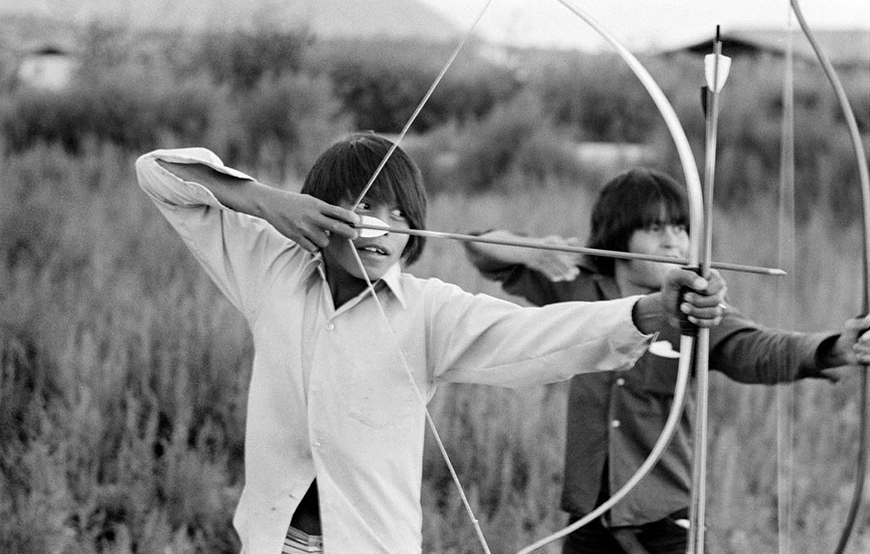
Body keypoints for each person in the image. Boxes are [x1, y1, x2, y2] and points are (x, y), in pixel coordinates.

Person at [135, 137, 726, 554]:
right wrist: (267, 200)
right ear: (320, 208)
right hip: (271, 541)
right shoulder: (270, 267)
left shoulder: (429, 311)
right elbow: (157, 172)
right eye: (364, 205)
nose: (381, 228)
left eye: (399, 214)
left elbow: (538, 335)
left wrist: (651, 310)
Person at [464, 167, 870, 554]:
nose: (674, 243)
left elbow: (757, 349)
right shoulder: (575, 288)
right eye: (655, 228)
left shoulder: (695, 305)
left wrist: (835, 348)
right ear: (617, 235)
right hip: (589, 515)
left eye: (680, 228)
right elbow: (479, 246)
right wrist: (535, 252)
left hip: (666, 522)